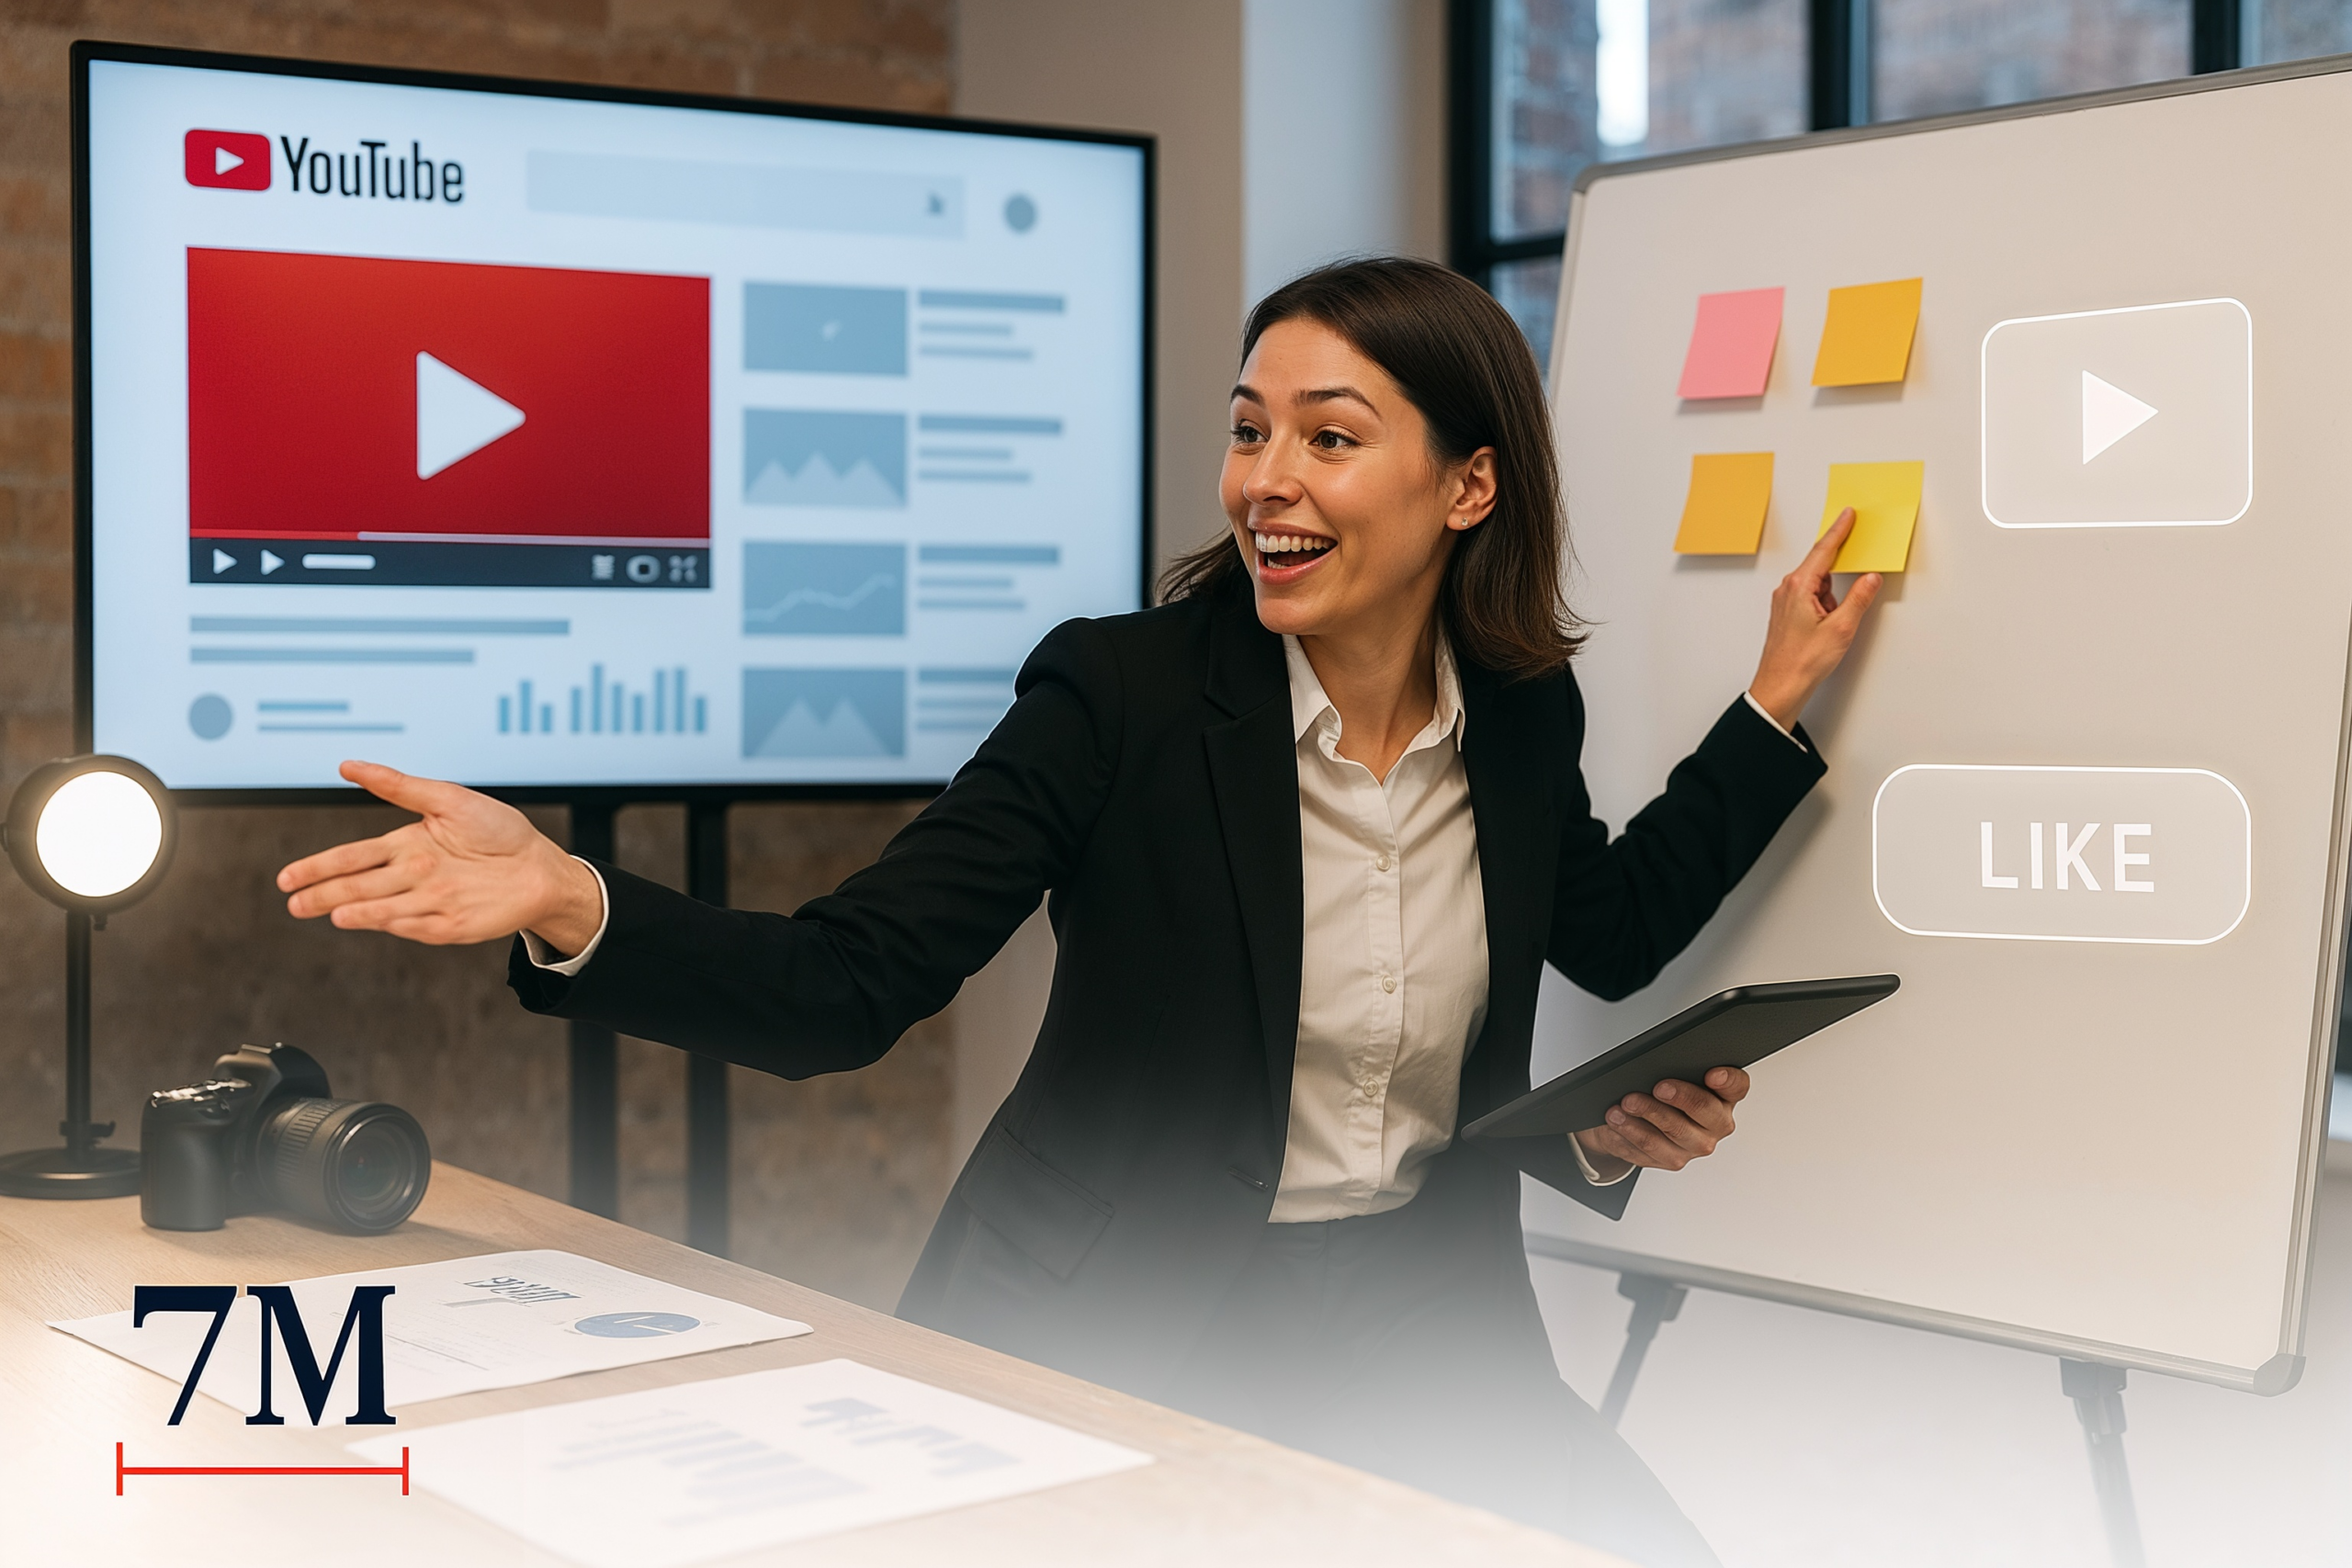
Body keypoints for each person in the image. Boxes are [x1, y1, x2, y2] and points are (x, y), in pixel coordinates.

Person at [277, 257, 1879, 1566]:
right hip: (1127, 1313)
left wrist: (1772, 703)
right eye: (1250, 432)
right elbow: (848, 986)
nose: (1267, 480)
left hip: (1422, 1318)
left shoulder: (1522, 712)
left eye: (1329, 437)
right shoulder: (1117, 693)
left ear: (1469, 484)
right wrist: (569, 896)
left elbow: (1607, 929)